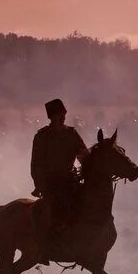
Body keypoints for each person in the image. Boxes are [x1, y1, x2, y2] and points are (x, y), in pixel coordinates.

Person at [30, 98, 88, 263]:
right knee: (51, 214)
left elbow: (83, 156)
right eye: (58, 115)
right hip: (51, 185)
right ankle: (45, 248)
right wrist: (39, 185)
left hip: (70, 181)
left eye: (63, 114)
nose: (62, 117)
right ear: (51, 117)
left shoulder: (71, 134)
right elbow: (36, 164)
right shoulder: (41, 137)